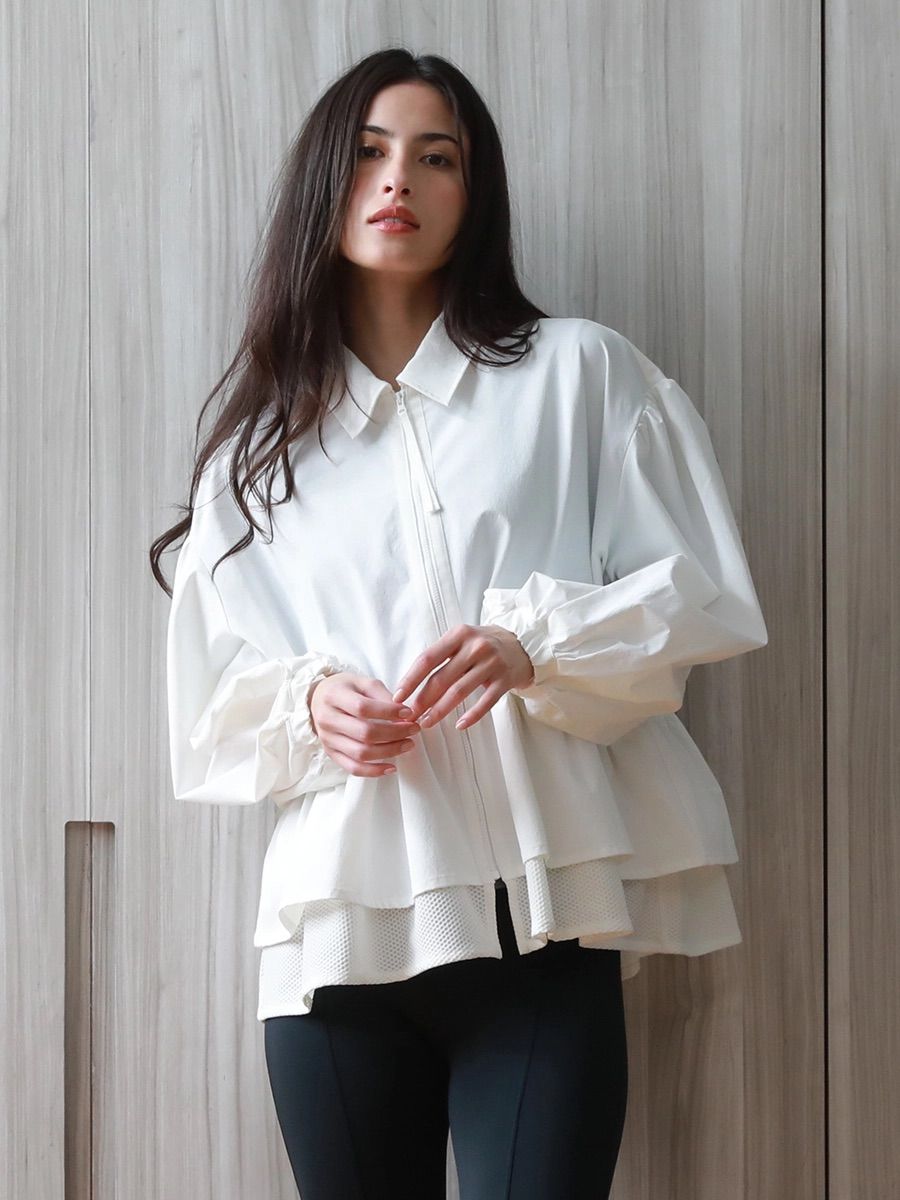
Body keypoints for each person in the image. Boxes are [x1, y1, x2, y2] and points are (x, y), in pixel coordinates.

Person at [152, 47, 769, 1200]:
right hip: (335, 952)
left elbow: (700, 590)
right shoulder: (255, 457)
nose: (399, 179)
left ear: (473, 195)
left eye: (436, 157)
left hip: (542, 934)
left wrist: (539, 647)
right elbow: (210, 710)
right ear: (324, 182)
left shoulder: (578, 375)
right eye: (368, 152)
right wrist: (308, 708)